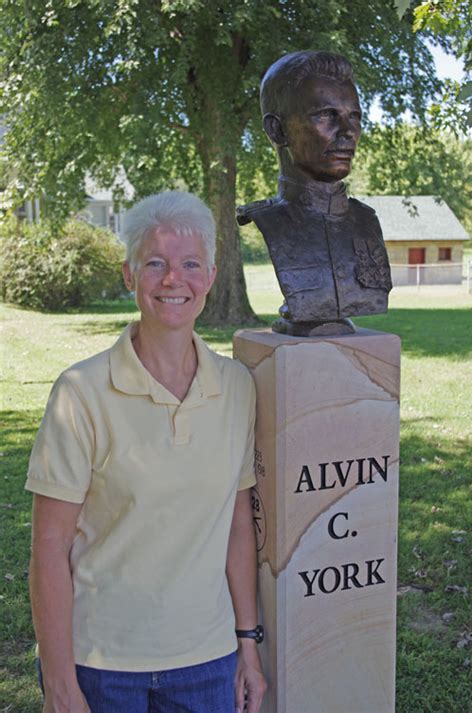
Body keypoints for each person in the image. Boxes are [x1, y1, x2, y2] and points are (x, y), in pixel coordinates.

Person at [26, 190, 266, 713]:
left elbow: (237, 526)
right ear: (129, 275)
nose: (172, 279)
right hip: (101, 668)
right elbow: (48, 548)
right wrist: (60, 684)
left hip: (208, 662)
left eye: (189, 264)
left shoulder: (237, 388)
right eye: (154, 262)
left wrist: (248, 644)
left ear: (212, 274)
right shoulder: (81, 392)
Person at [237, 50, 392, 336]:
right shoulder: (269, 221)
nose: (348, 132)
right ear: (277, 130)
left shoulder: (366, 221)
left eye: (354, 117)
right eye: (326, 115)